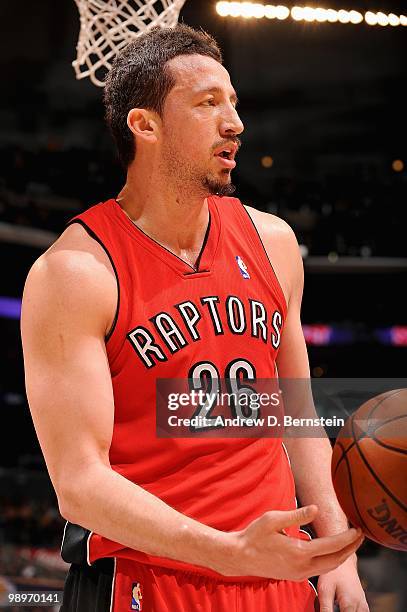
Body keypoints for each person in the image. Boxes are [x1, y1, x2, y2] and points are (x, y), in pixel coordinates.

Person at [21, 24, 369, 612]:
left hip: (275, 573)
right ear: (145, 125)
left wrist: (338, 549)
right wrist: (227, 550)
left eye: (233, 102)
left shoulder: (273, 242)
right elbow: (80, 486)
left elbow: (297, 409)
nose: (234, 122)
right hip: (146, 579)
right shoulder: (75, 273)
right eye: (208, 103)